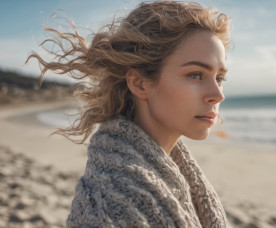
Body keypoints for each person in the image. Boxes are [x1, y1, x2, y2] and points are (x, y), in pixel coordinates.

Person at [26, 1, 231, 227]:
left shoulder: (176, 175)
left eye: (219, 78)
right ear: (139, 83)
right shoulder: (111, 207)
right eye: (195, 75)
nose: (217, 94)